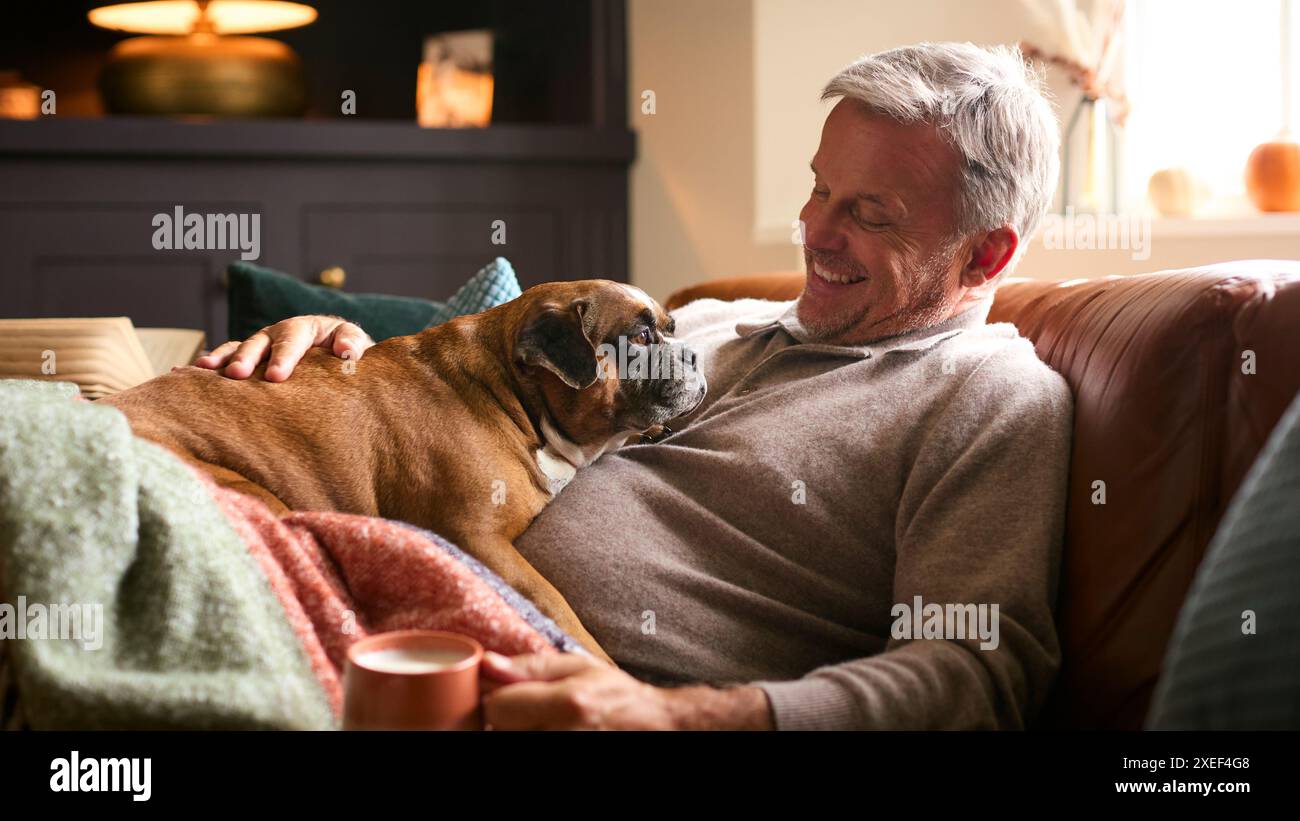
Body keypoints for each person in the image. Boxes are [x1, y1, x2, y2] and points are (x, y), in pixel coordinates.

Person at [196, 42, 1073, 730]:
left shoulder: (987, 398)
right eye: (817, 188)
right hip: (365, 598)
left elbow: (976, 675)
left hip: (535, 684)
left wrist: (675, 715)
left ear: (987, 253)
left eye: (868, 213)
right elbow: (482, 369)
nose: (813, 229)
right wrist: (336, 345)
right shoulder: (705, 323)